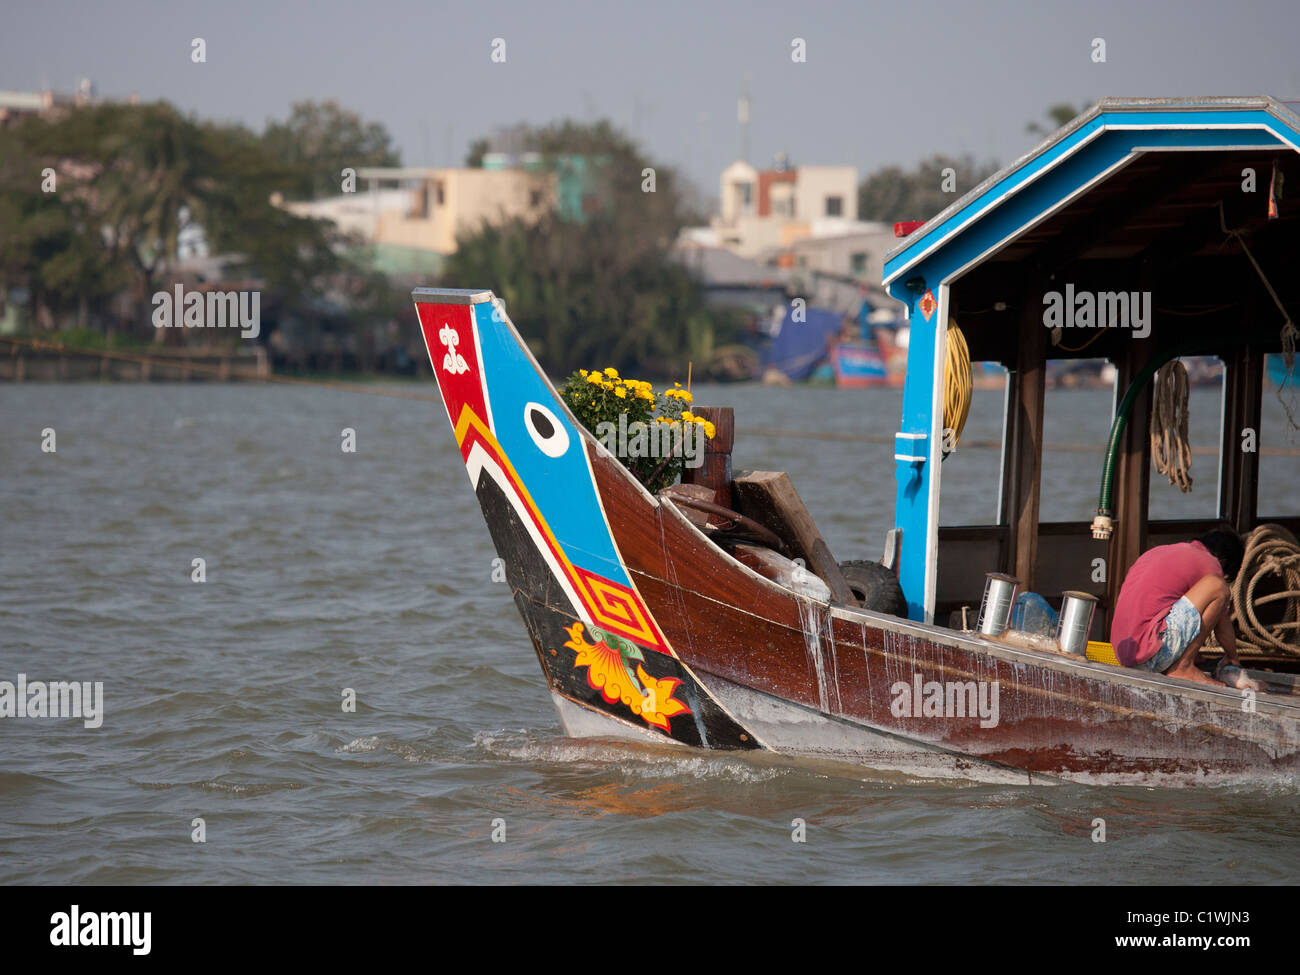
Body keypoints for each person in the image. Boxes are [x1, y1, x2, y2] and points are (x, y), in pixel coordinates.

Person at [1109, 530, 1245, 686]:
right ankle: (1184, 666)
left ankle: (1185, 659)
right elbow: (1223, 624)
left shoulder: (1159, 551)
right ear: (1224, 561)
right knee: (1218, 587)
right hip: (1150, 657)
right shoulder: (1210, 562)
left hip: (1124, 656)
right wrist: (1233, 658)